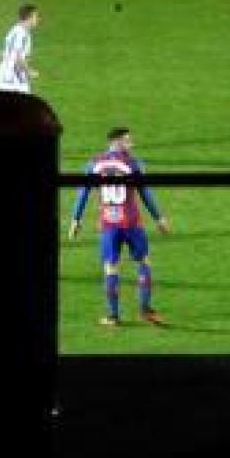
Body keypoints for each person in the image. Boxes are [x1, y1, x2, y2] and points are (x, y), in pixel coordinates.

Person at [68, 128, 173, 326]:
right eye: (127, 141)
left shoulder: (94, 164)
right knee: (144, 263)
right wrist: (159, 218)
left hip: (108, 225)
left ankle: (113, 316)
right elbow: (145, 193)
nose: (131, 145)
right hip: (132, 223)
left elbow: (83, 192)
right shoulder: (133, 164)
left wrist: (76, 220)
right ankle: (145, 310)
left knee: (110, 268)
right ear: (116, 142)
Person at [0, 3, 40, 93]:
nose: (37, 19)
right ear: (29, 18)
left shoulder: (16, 30)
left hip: (6, 74)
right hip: (12, 77)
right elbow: (17, 57)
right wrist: (29, 71)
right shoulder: (21, 34)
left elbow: (3, 54)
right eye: (36, 16)